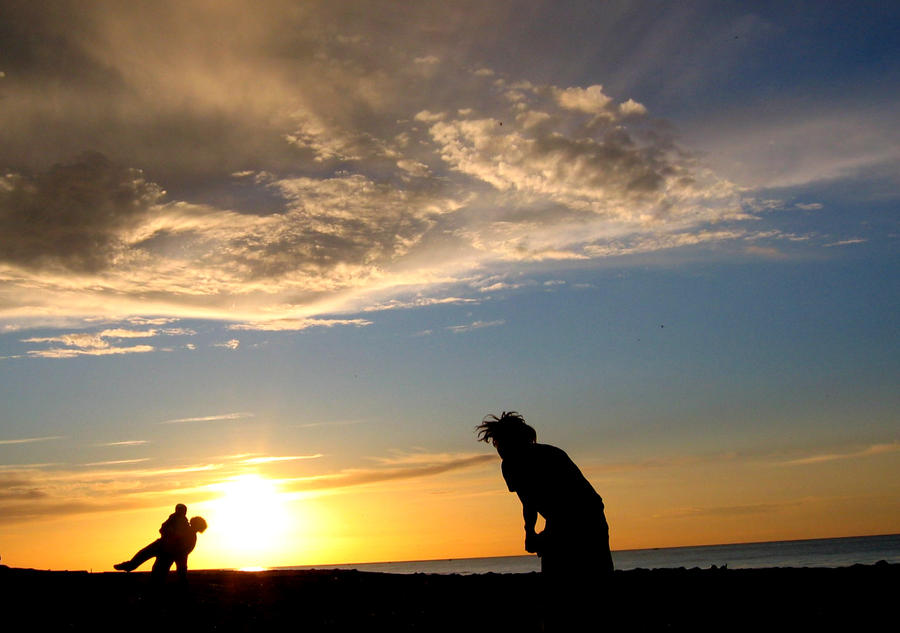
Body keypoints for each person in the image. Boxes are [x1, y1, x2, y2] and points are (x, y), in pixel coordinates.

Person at [476, 411, 613, 628]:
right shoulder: (516, 463)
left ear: (517, 439)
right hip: (566, 519)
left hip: (585, 516)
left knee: (589, 582)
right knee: (569, 583)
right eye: (497, 443)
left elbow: (559, 502)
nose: (499, 448)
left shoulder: (541, 457)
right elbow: (527, 500)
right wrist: (531, 533)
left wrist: (539, 535)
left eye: (501, 442)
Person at [114, 504, 207, 582]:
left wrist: (182, 575)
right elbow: (163, 529)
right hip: (161, 546)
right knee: (141, 557)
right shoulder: (180, 521)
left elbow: (182, 556)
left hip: (166, 553)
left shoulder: (189, 535)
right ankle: (129, 566)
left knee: (156, 574)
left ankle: (130, 567)